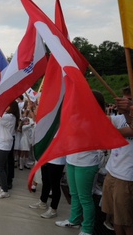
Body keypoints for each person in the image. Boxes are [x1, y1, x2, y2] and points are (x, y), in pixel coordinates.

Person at [55, 91, 106, 235]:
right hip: (72, 159)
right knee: (74, 194)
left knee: (85, 197)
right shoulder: (78, 115)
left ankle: (88, 228)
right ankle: (74, 220)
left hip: (87, 162)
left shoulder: (99, 119)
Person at [101, 87, 133, 235]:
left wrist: (128, 112)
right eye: (124, 99)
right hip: (112, 172)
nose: (125, 102)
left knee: (127, 221)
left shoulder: (125, 116)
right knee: (115, 218)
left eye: (130, 100)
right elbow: (101, 121)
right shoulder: (119, 118)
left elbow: (128, 130)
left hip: (126, 178)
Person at [0, 101, 19, 199]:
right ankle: (2, 185)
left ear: (12, 107)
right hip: (1, 143)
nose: (5, 106)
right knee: (3, 167)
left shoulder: (9, 116)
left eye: (7, 105)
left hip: (4, 144)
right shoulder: (8, 115)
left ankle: (5, 191)